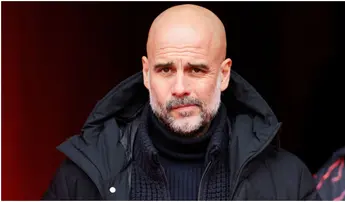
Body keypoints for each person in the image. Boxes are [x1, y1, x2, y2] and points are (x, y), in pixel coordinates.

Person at [43, 4, 320, 200]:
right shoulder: (83, 179)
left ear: (224, 75)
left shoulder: (286, 181)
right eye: (165, 70)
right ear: (146, 74)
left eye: (196, 70)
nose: (179, 88)